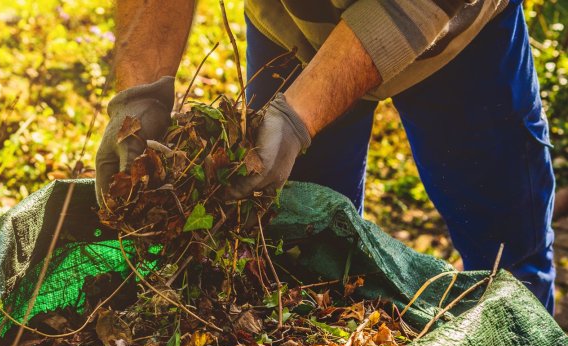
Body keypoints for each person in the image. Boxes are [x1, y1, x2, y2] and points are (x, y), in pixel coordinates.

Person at [95, 0, 556, 313]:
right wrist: (141, 92)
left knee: (507, 262)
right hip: (292, 27)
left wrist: (301, 114)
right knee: (301, 256)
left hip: (458, 39)